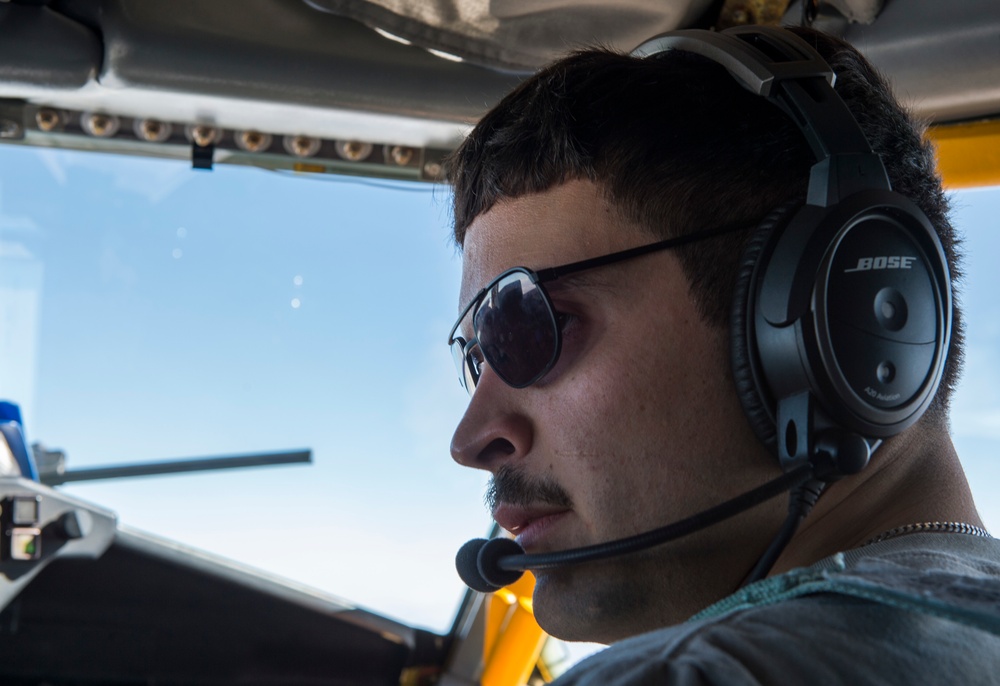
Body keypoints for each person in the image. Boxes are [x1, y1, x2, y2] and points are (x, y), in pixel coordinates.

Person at [445, 24, 1000, 684]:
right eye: (480, 358)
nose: (472, 439)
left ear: (837, 321)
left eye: (533, 328)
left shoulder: (700, 672)